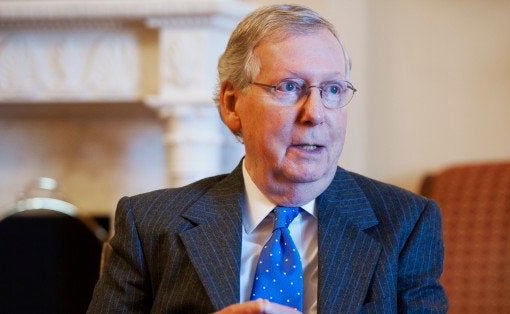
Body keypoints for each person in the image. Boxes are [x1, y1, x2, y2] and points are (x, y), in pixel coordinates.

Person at [88, 4, 448, 314]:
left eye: (333, 90)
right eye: (290, 87)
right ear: (232, 104)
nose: (315, 113)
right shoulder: (149, 226)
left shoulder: (404, 223)